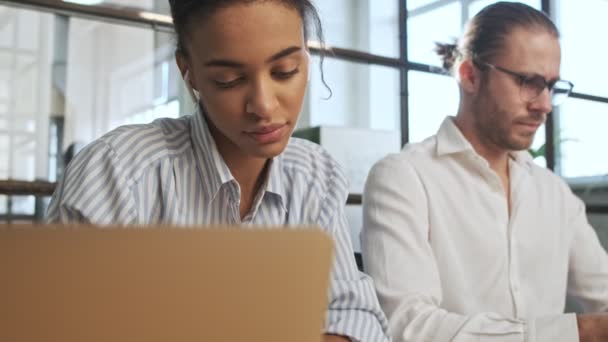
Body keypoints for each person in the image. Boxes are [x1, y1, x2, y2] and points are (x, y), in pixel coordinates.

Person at [47, 1, 390, 341]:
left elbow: (355, 315)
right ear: (188, 72)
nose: (264, 105)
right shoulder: (118, 174)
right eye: (228, 80)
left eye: (285, 70)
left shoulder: (314, 174)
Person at [361, 2, 608, 341]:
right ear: (470, 75)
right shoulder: (403, 178)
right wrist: (576, 332)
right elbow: (407, 325)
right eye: (528, 81)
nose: (544, 104)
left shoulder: (554, 193)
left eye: (551, 86)